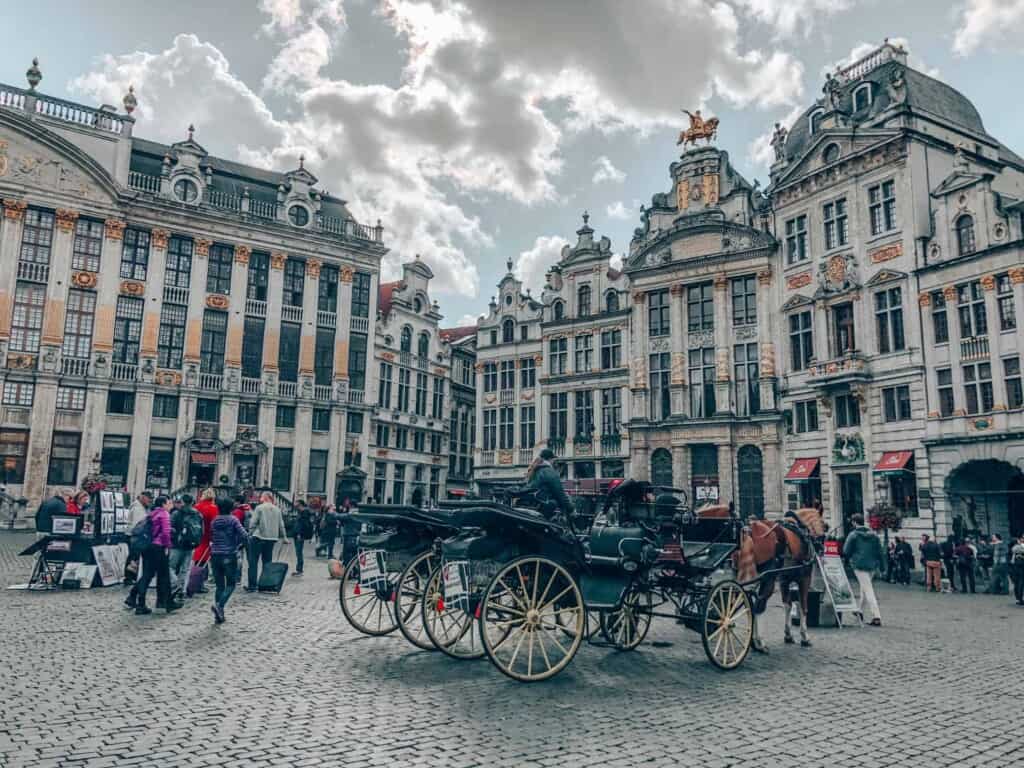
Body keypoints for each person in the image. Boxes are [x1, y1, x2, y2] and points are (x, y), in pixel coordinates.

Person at [133, 496, 179, 615]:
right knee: (164, 576)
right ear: (164, 504)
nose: (171, 505)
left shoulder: (152, 513)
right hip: (159, 547)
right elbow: (165, 533)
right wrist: (168, 546)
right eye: (169, 503)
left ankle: (140, 603)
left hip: (148, 547)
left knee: (147, 575)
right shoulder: (164, 514)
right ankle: (168, 603)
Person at [210, 497, 248, 623]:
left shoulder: (215, 521)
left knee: (219, 585)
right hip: (229, 554)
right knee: (231, 584)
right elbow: (244, 535)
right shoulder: (233, 520)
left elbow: (212, 535)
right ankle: (220, 605)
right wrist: (240, 544)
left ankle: (219, 615)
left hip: (215, 554)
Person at [842, 513, 885, 626]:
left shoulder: (853, 535)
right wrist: (882, 567)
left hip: (859, 565)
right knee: (864, 588)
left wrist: (849, 559)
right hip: (872, 566)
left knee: (868, 590)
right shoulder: (874, 535)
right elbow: (880, 552)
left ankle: (877, 616)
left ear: (855, 522)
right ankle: (859, 611)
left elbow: (846, 551)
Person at [246, 492, 287, 591]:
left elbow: (253, 522)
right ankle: (265, 584)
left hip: (259, 537)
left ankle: (252, 585)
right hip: (271, 538)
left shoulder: (259, 508)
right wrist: (284, 537)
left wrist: (249, 533)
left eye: (261, 496)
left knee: (253, 561)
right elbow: (281, 524)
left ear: (265, 497)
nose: (260, 498)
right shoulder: (277, 509)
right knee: (267, 562)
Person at [168, 495, 202, 599]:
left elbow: (170, 528)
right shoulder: (198, 514)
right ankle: (182, 590)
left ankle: (175, 584)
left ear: (182, 502)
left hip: (177, 545)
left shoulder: (176, 513)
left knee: (170, 567)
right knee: (185, 569)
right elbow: (202, 530)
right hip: (191, 545)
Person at [526, 448, 573, 519]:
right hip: (543, 506)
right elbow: (560, 494)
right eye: (554, 460)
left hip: (533, 504)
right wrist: (571, 509)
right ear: (551, 459)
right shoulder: (549, 472)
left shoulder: (534, 470)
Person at [192, 489, 219, 564]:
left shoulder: (196, 506)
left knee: (198, 550)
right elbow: (215, 523)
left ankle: (197, 568)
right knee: (206, 553)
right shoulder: (214, 508)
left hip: (196, 532)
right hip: (208, 534)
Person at [292, 500, 315, 575]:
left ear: (300, 505)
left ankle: (299, 570)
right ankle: (299, 569)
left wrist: (300, 533)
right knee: (298, 552)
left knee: (299, 552)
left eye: (296, 505)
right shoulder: (301, 512)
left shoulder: (305, 513)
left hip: (299, 535)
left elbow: (303, 525)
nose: (295, 506)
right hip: (297, 534)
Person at [1011, 534, 1024, 606]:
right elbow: (1014, 550)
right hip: (1019, 566)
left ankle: (1018, 599)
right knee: (1020, 582)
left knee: (1018, 582)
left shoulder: (1015, 546)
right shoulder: (1017, 546)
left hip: (1016, 565)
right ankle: (1019, 599)